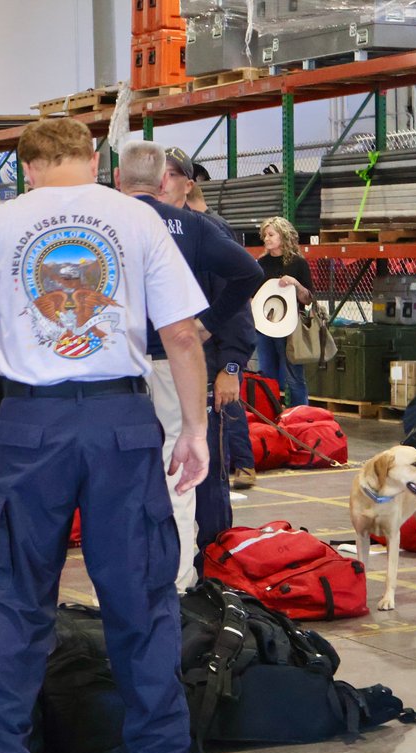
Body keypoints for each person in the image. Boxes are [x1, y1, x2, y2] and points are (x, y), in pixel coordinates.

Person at [0, 118, 209, 753]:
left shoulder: (0, 223)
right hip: (120, 423)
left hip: (31, 425)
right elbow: (180, 333)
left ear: (25, 165)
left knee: (18, 607)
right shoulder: (138, 218)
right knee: (141, 603)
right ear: (96, 157)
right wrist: (195, 429)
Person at [120, 142, 262, 590]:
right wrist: (207, 325)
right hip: (171, 364)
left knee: (117, 478)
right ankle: (179, 585)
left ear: (118, 182)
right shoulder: (193, 227)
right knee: (180, 475)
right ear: (164, 181)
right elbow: (249, 274)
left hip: (110, 370)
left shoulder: (98, 220)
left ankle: (125, 588)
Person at [186, 175, 257, 490]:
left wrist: (232, 366)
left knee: (226, 409)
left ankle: (243, 464)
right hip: (201, 358)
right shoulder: (194, 229)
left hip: (216, 358)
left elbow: (236, 305)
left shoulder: (209, 231)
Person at [256, 216, 313, 407]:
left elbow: (307, 298)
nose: (266, 239)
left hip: (290, 328)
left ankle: (300, 417)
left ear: (283, 235)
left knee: (294, 377)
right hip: (264, 327)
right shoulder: (261, 264)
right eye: (265, 235)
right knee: (267, 374)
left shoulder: (298, 263)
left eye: (271, 234)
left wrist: (295, 283)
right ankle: (271, 414)